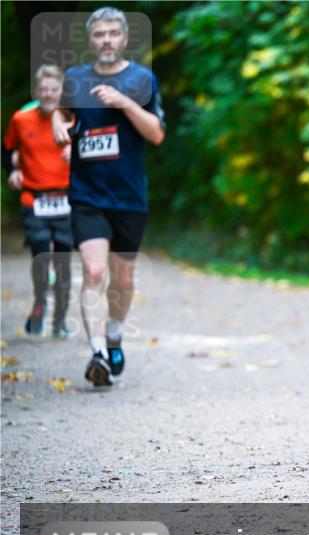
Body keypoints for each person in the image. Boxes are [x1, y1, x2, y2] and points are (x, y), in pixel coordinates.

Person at [51, 7, 165, 386]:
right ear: (91, 39)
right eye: (99, 34)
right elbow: (60, 113)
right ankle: (98, 351)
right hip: (87, 193)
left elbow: (156, 133)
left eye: (113, 33)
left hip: (129, 195)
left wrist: (124, 102)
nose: (106, 40)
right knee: (94, 272)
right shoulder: (75, 78)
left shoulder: (141, 79)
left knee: (123, 279)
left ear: (124, 38)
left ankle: (114, 335)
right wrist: (57, 125)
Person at [3, 65, 73, 339]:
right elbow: (6, 149)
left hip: (67, 199)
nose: (48, 94)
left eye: (54, 89)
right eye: (43, 89)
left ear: (61, 92)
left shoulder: (73, 119)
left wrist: (76, 154)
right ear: (36, 91)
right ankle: (40, 302)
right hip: (34, 198)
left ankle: (60, 320)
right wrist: (13, 171)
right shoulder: (21, 119)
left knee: (63, 263)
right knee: (41, 258)